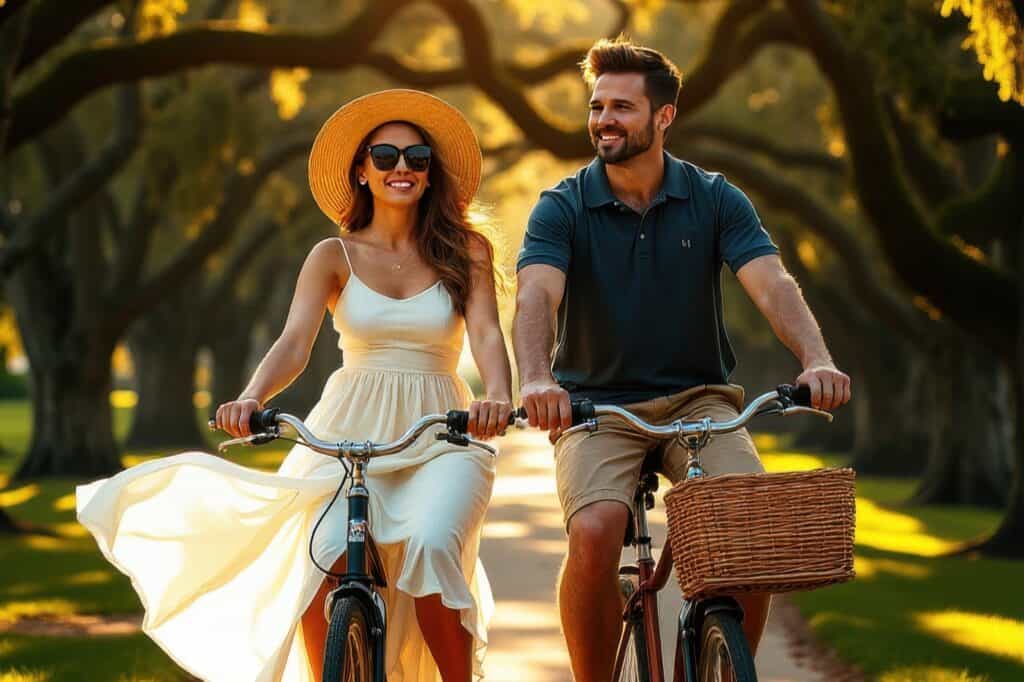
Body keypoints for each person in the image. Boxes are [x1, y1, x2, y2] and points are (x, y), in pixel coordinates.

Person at [77, 89, 513, 682]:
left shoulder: (466, 250)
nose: (401, 168)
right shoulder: (332, 255)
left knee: (433, 545)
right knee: (323, 556)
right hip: (347, 427)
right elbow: (294, 343)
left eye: (416, 157)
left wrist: (497, 397)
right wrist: (253, 397)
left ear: (431, 171)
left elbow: (487, 334)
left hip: (441, 432)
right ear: (361, 171)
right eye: (384, 156)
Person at [512, 39, 851, 681]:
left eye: (621, 107)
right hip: (595, 404)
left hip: (700, 399)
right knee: (596, 529)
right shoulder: (563, 205)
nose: (603, 120)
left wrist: (816, 359)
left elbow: (772, 283)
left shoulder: (715, 198)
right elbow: (536, 294)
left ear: (664, 117)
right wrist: (536, 377)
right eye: (596, 106)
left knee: (744, 533)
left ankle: (728, 665)